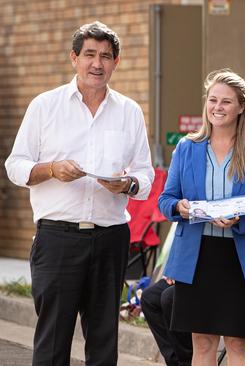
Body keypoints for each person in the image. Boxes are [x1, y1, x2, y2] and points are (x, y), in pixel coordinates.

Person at [4, 21, 154, 365]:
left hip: (111, 237)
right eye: (89, 55)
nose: (97, 64)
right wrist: (53, 169)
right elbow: (15, 166)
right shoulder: (45, 106)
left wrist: (127, 184)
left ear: (116, 62)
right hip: (58, 239)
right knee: (53, 340)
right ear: (74, 58)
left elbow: (144, 175)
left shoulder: (129, 111)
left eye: (105, 56)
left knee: (104, 341)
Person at [158, 69, 245, 366]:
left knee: (238, 343)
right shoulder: (188, 147)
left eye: (226, 101)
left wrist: (240, 218)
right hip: (197, 255)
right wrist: (181, 208)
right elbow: (166, 200)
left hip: (242, 257)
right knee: (202, 342)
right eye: (213, 100)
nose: (218, 107)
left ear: (241, 107)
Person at [140, 211, 245, 366]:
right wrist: (179, 266)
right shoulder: (200, 193)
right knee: (150, 298)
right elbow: (173, 208)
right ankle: (181, 362)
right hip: (196, 259)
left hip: (235, 264)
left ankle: (188, 359)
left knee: (169, 299)